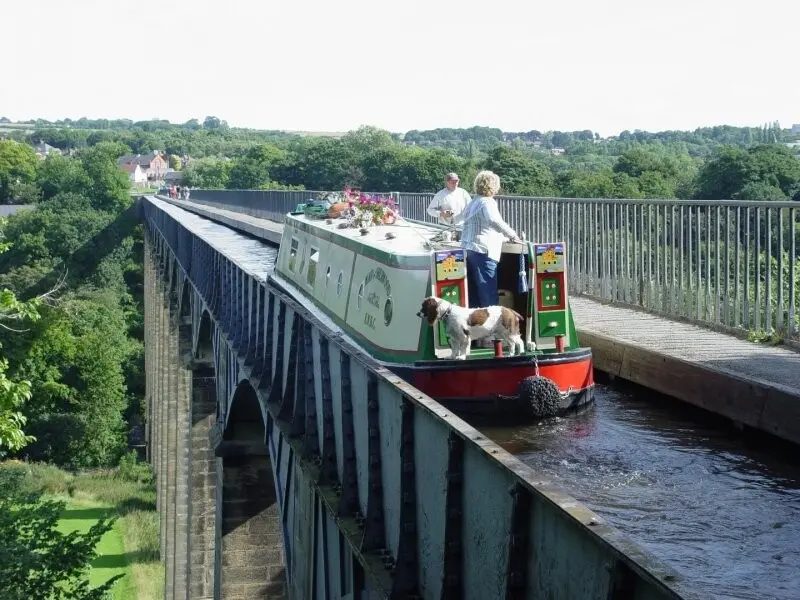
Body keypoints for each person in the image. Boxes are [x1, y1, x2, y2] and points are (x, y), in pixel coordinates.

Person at [454, 170, 521, 309]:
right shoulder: (487, 202)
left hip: (469, 249)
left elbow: (481, 226)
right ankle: (492, 328)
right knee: (488, 293)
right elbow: (495, 221)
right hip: (483, 251)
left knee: (474, 293)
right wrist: (512, 235)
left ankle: (477, 326)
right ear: (492, 186)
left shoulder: (474, 202)